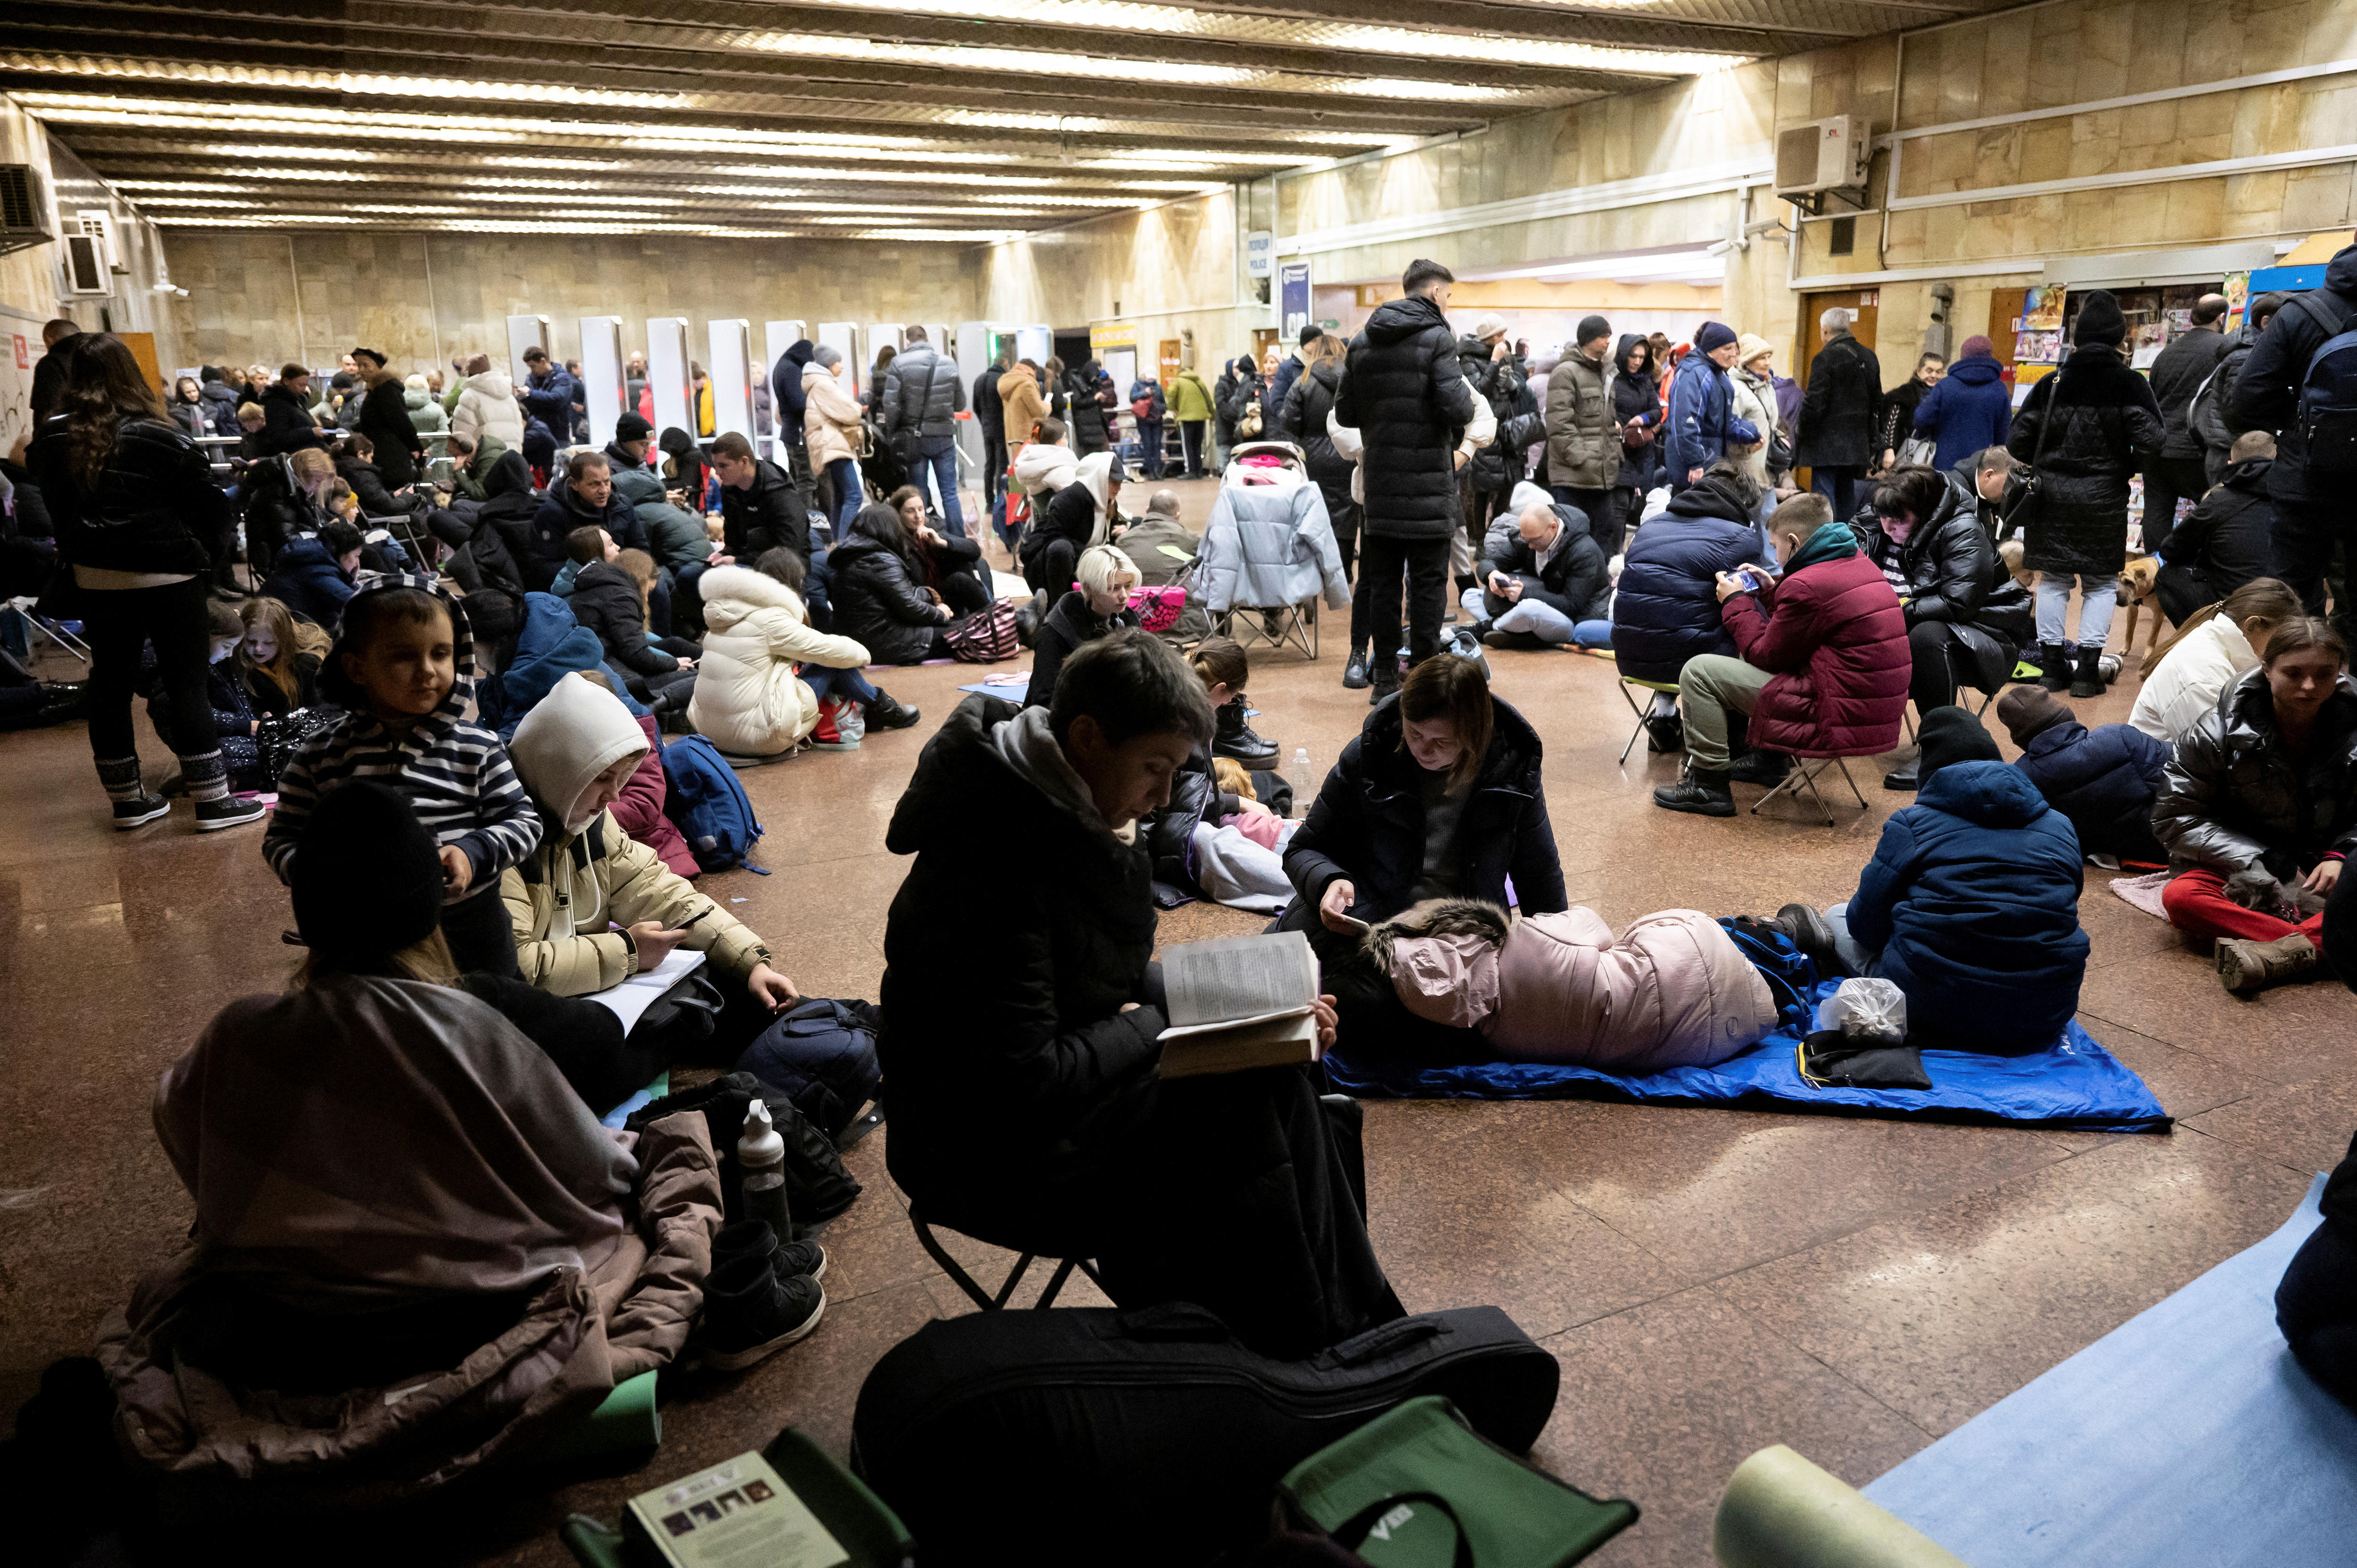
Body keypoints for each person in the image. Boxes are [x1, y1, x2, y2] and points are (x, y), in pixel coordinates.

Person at [99, 779, 727, 1494]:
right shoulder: (466, 1025)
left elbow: (185, 1128)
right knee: (648, 1172)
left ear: (309, 909)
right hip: (457, 1320)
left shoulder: (239, 1031)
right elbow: (586, 1173)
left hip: (289, 1331)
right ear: (432, 904)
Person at [878, 629, 1397, 1357]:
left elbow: (1101, 982)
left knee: (1278, 1068)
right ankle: (1312, 1347)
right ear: (1088, 737)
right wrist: (1175, 1014)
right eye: (1154, 768)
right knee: (1248, 1107)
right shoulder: (995, 862)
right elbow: (1028, 1076)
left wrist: (1264, 1004)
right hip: (984, 1149)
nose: (1160, 798)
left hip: (1043, 1109)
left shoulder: (1056, 805)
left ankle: (1334, 1336)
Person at [29, 333, 261, 834]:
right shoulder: (162, 433)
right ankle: (212, 800)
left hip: (95, 579)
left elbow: (57, 512)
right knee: (187, 685)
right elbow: (210, 509)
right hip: (169, 575)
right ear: (129, 374)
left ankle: (128, 801)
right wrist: (203, 556)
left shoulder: (48, 438)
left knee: (109, 687)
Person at [1285, 652, 1564, 1054]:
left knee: (1497, 1004)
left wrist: (1560, 957)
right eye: (1414, 734)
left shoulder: (1511, 770)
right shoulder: (1370, 755)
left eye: (1441, 742)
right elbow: (1305, 847)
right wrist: (1331, 880)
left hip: (1462, 936)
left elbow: (1539, 873)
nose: (1423, 750)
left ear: (1476, 733)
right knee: (1358, 1000)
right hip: (1374, 925)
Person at [264, 574, 542, 976]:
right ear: (356, 668)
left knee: (485, 1024)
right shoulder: (320, 756)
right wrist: (322, 877)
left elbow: (523, 823)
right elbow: (283, 837)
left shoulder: (478, 747)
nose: (427, 670)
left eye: (441, 653)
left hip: (471, 930)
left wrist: (472, 852)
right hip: (363, 940)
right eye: (403, 656)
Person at [504, 670, 802, 1033]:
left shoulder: (587, 821)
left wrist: (751, 962)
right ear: (562, 769)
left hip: (585, 991)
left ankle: (832, 1020)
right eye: (601, 778)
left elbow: (660, 892)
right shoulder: (500, 842)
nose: (614, 796)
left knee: (727, 980)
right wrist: (628, 951)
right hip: (522, 1023)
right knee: (621, 1036)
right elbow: (516, 966)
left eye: (619, 778)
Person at [1776, 707, 2088, 1053]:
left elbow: (1864, 927)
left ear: (1930, 775)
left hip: (1929, 1010)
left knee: (1838, 915)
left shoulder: (1913, 823)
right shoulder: (2061, 825)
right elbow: (2064, 904)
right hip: (2043, 1014)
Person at [1654, 493, 1909, 817]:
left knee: (1699, 672)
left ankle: (1708, 785)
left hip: (1835, 713)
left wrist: (1735, 603)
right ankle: (1769, 759)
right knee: (1746, 655)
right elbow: (1804, 631)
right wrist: (1773, 592)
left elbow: (1766, 654)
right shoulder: (1858, 563)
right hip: (1871, 712)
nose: (1773, 554)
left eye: (1775, 546)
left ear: (1793, 542)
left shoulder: (1807, 584)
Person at [2151, 616, 2357, 992]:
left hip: (2326, 860)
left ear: (2340, 673)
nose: (2309, 686)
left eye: (2324, 674)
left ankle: (2283, 952)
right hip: (2244, 861)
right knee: (2181, 898)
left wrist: (2343, 855)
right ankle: (2327, 944)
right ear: (2266, 669)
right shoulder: (2212, 733)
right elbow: (2175, 819)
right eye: (2293, 673)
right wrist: (2265, 858)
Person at [1358, 897, 1782, 1074]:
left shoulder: (1489, 1039)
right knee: (1686, 930)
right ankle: (1780, 934)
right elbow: (1594, 926)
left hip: (1684, 1044)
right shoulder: (1528, 941)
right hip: (1694, 971)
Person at [1336, 258, 1480, 703]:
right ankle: (1423, 676)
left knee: (1381, 585)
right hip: (1428, 492)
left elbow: (1344, 413)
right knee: (1428, 585)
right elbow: (1459, 408)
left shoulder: (1362, 341)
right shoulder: (1439, 338)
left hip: (1381, 489)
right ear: (1436, 293)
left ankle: (1382, 678)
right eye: (1449, 296)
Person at [2009, 289, 2165, 698]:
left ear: (2078, 337)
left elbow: (2017, 443)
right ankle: (2087, 675)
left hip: (2052, 499)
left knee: (2054, 582)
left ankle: (2051, 672)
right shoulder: (2130, 383)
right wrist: (2124, 463)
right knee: (2098, 584)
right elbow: (2153, 440)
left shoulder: (2052, 382)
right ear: (2119, 338)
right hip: (2104, 499)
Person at [1853, 464, 2033, 790]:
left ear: (1923, 512)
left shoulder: (1963, 529)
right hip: (1891, 627)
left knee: (1928, 635)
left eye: (1900, 520)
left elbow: (1959, 603)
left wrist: (1896, 612)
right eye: (1884, 518)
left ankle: (1940, 748)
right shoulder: (1879, 515)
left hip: (1978, 637)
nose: (1889, 527)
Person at [2234, 243, 2357, 634]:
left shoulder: (2298, 314)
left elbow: (2246, 398)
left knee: (2293, 599)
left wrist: (2297, 424)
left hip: (2303, 478)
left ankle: (2295, 688)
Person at [1611, 463, 1767, 751]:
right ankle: (1731, 742)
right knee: (1748, 621)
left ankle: (1663, 720)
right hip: (1692, 668)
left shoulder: (1651, 526)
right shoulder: (1740, 537)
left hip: (1632, 658)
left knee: (1674, 614)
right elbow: (1748, 608)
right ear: (1745, 503)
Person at [687, 554, 896, 761]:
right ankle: (885, 706)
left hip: (710, 732)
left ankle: (884, 706)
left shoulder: (725, 617)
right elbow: (831, 650)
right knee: (831, 662)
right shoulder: (771, 619)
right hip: (755, 737)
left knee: (827, 660)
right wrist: (865, 653)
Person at [1997, 686, 2171, 864]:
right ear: (2066, 716)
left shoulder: (2023, 775)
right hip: (2171, 840)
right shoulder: (2117, 737)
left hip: (2112, 850)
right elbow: (2182, 767)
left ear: (2019, 737)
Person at [2131, 577, 2304, 743]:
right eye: (2279, 642)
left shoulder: (2216, 642)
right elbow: (2221, 755)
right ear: (2253, 625)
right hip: (2159, 769)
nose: (2282, 652)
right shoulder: (2202, 676)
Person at [564, 526, 698, 712]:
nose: (619, 548)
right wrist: (673, 663)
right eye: (611, 544)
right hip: (618, 676)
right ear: (595, 553)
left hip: (611, 666)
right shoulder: (616, 592)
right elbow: (636, 653)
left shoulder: (588, 581)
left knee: (677, 646)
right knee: (701, 679)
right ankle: (651, 712)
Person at [1464, 482, 1610, 651]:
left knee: (1529, 609)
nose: (1530, 546)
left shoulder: (1584, 552)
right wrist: (1492, 574)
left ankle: (1487, 628)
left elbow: (1572, 605)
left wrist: (1524, 594)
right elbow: (1488, 562)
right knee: (1470, 596)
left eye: (1534, 540)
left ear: (1553, 528)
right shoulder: (1530, 537)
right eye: (1526, 540)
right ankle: (1519, 633)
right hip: (1542, 603)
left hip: (1574, 619)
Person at [2157, 430, 2278, 624]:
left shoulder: (2219, 500)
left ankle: (2207, 641)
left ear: (2231, 465)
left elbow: (2170, 550)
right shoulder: (2297, 498)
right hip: (2291, 605)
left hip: (2235, 609)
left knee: (2167, 576)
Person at [2142, 294, 2232, 553]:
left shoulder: (2166, 354)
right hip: (2199, 449)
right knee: (2214, 510)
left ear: (2192, 318)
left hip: (2160, 449)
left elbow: (2153, 398)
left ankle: (2155, 572)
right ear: (2222, 318)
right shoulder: (2225, 349)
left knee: (2157, 513)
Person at [830, 500, 962, 666]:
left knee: (963, 626)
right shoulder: (879, 559)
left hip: (866, 638)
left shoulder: (852, 554)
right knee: (968, 631)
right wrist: (940, 614)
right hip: (887, 642)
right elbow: (909, 607)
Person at [1025, 543, 1143, 710]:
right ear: (1090, 588)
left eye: (1128, 586)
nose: (1124, 596)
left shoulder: (1130, 623)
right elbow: (1044, 701)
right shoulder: (1055, 632)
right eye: (1114, 588)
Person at [1793, 307, 1883, 521]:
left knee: (1823, 503)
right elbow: (1878, 402)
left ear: (1824, 331)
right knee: (1846, 500)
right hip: (1857, 446)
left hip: (1826, 448)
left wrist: (1802, 433)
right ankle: (1845, 546)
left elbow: (1814, 404)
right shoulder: (1869, 356)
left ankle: (1826, 548)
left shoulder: (1825, 358)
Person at [879, 326, 967, 536]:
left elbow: (891, 405)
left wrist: (893, 433)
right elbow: (960, 404)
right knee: (950, 494)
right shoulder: (948, 362)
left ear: (908, 342)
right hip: (944, 436)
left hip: (914, 438)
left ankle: (921, 540)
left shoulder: (899, 363)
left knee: (918, 494)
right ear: (927, 339)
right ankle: (957, 541)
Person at [1544, 316, 1620, 550]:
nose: (1608, 341)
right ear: (1589, 340)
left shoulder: (1606, 372)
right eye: (1603, 336)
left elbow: (1607, 422)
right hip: (1574, 477)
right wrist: (1581, 458)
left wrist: (1614, 453)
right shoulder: (1566, 372)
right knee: (1573, 541)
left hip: (1602, 475)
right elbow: (1559, 423)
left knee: (1604, 536)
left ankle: (1602, 585)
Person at [2195, 293, 2283, 483]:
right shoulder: (2247, 356)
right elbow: (2238, 411)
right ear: (2266, 323)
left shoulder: (2249, 351)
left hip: (2234, 452)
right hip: (2235, 454)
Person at [1664, 322, 1759, 495]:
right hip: (1695, 471)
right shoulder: (1694, 373)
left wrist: (1752, 433)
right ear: (1711, 349)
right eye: (1727, 348)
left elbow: (1724, 420)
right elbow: (1686, 422)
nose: (1733, 354)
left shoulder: (1718, 373)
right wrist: (1696, 462)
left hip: (1713, 466)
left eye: (1735, 349)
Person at [1022, 448, 1119, 605]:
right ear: (1098, 479)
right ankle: (1057, 609)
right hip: (1048, 564)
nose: (1119, 488)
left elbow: (1108, 537)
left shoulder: (1109, 502)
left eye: (1120, 483)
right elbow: (1053, 536)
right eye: (1114, 482)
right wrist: (1093, 556)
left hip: (1082, 561)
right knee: (1061, 548)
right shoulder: (1071, 497)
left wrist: (1122, 533)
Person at [1911, 337, 2010, 477]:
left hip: (1943, 464)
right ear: (1989, 355)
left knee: (1945, 497)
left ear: (1963, 356)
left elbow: (1922, 419)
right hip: (1981, 469)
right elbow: (2003, 437)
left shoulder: (1945, 386)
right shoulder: (1999, 389)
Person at [712, 430, 808, 572]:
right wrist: (723, 554)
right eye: (715, 466)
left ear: (744, 462)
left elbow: (789, 551)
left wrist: (738, 560)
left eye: (723, 466)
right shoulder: (730, 489)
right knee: (690, 575)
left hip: (786, 569)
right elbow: (734, 542)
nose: (717, 472)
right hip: (750, 562)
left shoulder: (779, 493)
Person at [888, 483, 989, 611]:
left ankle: (991, 614)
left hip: (946, 592)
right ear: (898, 514)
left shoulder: (934, 525)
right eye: (910, 511)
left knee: (978, 563)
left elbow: (975, 551)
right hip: (925, 600)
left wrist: (941, 542)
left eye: (921, 509)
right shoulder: (897, 541)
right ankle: (994, 617)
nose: (918, 516)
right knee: (960, 579)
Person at [802, 346, 866, 541]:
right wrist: (858, 408)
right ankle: (846, 542)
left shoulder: (816, 384)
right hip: (833, 445)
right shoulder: (824, 385)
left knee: (840, 497)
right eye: (839, 362)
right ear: (829, 365)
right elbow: (851, 412)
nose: (842, 366)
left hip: (828, 444)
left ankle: (838, 542)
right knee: (855, 496)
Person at [259, 517, 365, 629]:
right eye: (356, 556)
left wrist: (351, 582)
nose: (357, 563)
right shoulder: (318, 570)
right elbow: (357, 604)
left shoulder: (314, 557)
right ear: (342, 554)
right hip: (281, 632)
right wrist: (351, 582)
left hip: (281, 623)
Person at [1610, 333, 1662, 547]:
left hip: (1641, 451)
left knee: (1639, 505)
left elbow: (1657, 411)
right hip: (1617, 451)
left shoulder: (1645, 381)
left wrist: (1643, 418)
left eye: (1642, 357)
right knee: (1618, 509)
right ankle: (1613, 556)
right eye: (1633, 356)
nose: (1638, 361)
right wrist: (1613, 422)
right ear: (1624, 355)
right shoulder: (1612, 378)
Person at [236, 594, 324, 716]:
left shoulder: (308, 661)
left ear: (284, 639)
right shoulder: (234, 657)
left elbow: (322, 706)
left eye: (268, 643)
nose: (258, 649)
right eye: (251, 641)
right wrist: (260, 714)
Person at [352, 347, 425, 489]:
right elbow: (378, 419)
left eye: (366, 365)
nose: (361, 370)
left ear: (378, 367)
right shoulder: (374, 389)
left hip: (391, 457)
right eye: (358, 365)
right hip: (382, 453)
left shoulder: (387, 389)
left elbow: (400, 422)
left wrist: (417, 448)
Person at [1725, 334, 1784, 507]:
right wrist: (1746, 447)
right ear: (1747, 362)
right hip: (1745, 470)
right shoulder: (1736, 389)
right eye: (1761, 358)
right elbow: (1730, 427)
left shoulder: (1767, 385)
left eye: (1768, 357)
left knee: (1769, 520)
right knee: (1752, 519)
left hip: (1766, 468)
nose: (1767, 363)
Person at [1875, 352, 1946, 471]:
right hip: (1907, 453)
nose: (1934, 375)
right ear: (1919, 371)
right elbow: (1892, 422)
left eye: (1938, 372)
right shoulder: (1904, 394)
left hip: (1934, 454)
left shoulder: (1943, 394)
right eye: (1929, 371)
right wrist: (1889, 450)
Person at [254, 363, 333, 456]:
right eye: (300, 385)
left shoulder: (298, 401)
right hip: (296, 457)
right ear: (287, 381)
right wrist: (310, 432)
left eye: (306, 385)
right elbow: (279, 437)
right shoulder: (276, 404)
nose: (304, 390)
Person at [450, 353, 525, 452]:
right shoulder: (509, 397)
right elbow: (519, 430)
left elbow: (463, 435)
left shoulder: (470, 396)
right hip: (512, 458)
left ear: (469, 372)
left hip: (486, 459)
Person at [1265, 325, 1322, 434]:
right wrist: (1293, 422)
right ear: (1305, 343)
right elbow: (1277, 402)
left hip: (1320, 430)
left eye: (1320, 341)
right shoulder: (1287, 368)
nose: (1318, 344)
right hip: (1296, 432)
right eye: (1314, 341)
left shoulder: (1324, 365)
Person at [972, 346, 1010, 510]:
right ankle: (1002, 502)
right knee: (1002, 465)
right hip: (1002, 428)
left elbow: (976, 407)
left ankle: (989, 502)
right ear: (1005, 363)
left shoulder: (980, 380)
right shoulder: (1003, 380)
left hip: (986, 428)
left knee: (990, 465)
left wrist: (984, 423)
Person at [519, 347, 579, 445]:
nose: (531, 371)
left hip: (558, 436)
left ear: (543, 361)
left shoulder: (563, 378)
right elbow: (529, 402)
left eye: (533, 366)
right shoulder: (531, 379)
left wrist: (530, 393)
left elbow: (557, 399)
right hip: (537, 435)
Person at [1167, 359, 1214, 479]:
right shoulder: (1199, 382)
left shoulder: (1178, 381)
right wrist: (1213, 415)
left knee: (1187, 445)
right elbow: (1209, 399)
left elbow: (1171, 394)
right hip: (1201, 417)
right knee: (1197, 444)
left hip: (1186, 418)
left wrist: (1173, 408)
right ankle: (1199, 471)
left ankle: (1190, 471)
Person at [1215, 355, 1261, 463]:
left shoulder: (1239, 384)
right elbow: (1222, 405)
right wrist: (1235, 417)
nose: (1238, 370)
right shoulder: (1221, 385)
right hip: (1225, 429)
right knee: (1225, 459)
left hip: (1236, 429)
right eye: (1235, 367)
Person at [1065, 357, 1113, 455]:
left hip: (1097, 425)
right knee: (1091, 453)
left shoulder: (1095, 384)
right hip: (1086, 426)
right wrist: (1095, 399)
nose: (1094, 378)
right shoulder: (1078, 385)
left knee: (1104, 451)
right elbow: (1078, 403)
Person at [1127, 372, 1167, 480]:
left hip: (1157, 420)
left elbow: (1163, 404)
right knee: (1148, 445)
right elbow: (1132, 398)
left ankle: (1157, 472)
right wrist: (1144, 393)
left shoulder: (1158, 387)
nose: (1151, 379)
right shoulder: (1137, 385)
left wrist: (1159, 409)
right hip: (1143, 420)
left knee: (1157, 445)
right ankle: (1150, 472)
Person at [168, 376, 209, 440]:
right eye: (188, 392)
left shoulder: (208, 409)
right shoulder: (175, 413)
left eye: (194, 391)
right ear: (181, 394)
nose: (193, 395)